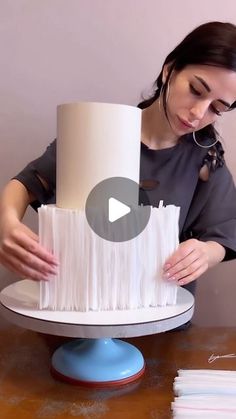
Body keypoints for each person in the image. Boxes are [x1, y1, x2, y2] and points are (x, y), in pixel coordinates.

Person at [1, 21, 236, 292]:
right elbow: (26, 184)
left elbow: (226, 229)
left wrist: (206, 252)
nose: (198, 113)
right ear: (169, 69)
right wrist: (5, 223)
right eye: (196, 90)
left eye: (216, 108)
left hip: (158, 313)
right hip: (77, 306)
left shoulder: (206, 160)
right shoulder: (97, 129)